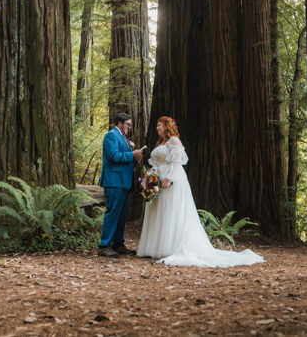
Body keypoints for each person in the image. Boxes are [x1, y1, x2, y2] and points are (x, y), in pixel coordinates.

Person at [137, 116, 263, 267]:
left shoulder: (174, 141)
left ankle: (170, 246)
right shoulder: (160, 143)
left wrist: (169, 179)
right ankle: (157, 247)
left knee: (171, 211)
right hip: (158, 180)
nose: (157, 127)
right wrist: (151, 178)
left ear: (166, 126)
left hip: (172, 181)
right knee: (161, 211)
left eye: (159, 125)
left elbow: (176, 163)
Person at [98, 113, 143, 258]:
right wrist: (132, 154)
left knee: (122, 215)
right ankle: (104, 245)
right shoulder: (111, 135)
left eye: (130, 125)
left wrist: (136, 158)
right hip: (114, 181)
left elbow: (125, 160)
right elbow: (114, 156)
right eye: (128, 124)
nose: (129, 128)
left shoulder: (124, 138)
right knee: (113, 213)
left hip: (124, 181)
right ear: (119, 123)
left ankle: (118, 244)